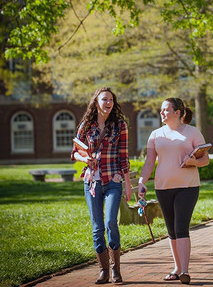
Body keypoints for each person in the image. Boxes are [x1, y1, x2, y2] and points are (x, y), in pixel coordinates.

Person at [138, 98, 209, 285]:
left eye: (166, 110)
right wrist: (141, 182)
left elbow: (205, 160)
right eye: (161, 110)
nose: (162, 113)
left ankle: (185, 270)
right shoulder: (155, 134)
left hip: (188, 187)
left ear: (178, 113)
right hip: (163, 187)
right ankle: (177, 268)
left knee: (181, 227)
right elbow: (149, 162)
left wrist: (193, 162)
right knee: (171, 230)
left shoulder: (192, 132)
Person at [71, 87, 132, 284]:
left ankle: (116, 270)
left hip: (113, 181)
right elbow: (74, 153)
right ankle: (103, 270)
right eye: (104, 99)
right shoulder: (86, 125)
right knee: (97, 227)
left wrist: (128, 184)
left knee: (110, 223)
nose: (108, 102)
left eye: (111, 100)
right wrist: (84, 157)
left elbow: (123, 157)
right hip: (92, 183)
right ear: (96, 102)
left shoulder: (120, 125)